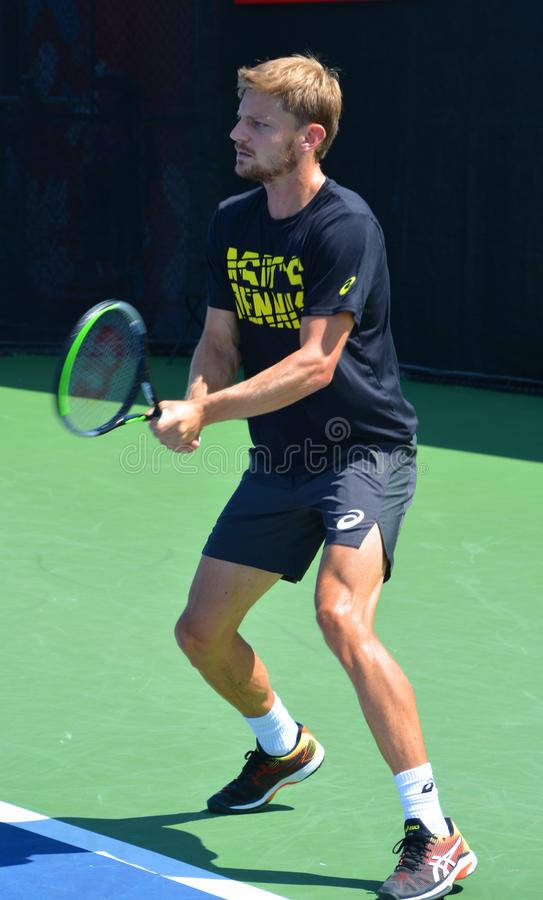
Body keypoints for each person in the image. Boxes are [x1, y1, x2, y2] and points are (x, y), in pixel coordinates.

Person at [150, 54, 477, 900]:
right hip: (278, 463)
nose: (236, 133)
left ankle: (434, 832)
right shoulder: (232, 218)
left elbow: (313, 365)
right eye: (240, 117)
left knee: (338, 612)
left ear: (307, 138)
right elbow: (218, 345)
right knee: (200, 633)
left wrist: (205, 417)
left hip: (362, 456)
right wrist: (196, 398)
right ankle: (282, 745)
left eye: (257, 123)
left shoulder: (346, 227)